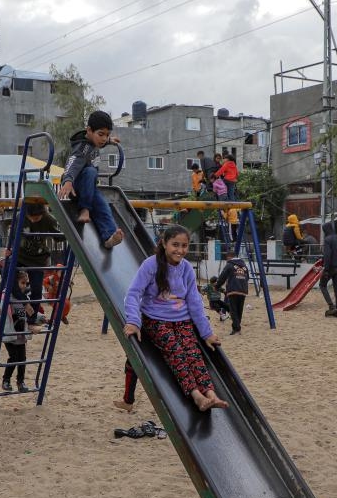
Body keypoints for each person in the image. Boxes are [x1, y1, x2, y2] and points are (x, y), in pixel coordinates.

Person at [123, 225, 228, 411]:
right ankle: (197, 396)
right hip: (156, 321)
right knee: (177, 353)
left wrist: (206, 333)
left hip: (182, 320)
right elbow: (133, 293)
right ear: (164, 243)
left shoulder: (186, 268)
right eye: (175, 245)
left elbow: (194, 301)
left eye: (185, 245)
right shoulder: (151, 265)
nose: (180, 250)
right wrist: (133, 320)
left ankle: (211, 394)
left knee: (194, 354)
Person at [58, 110, 124, 249]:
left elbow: (100, 141)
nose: (104, 139)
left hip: (89, 190)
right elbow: (73, 163)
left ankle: (108, 238)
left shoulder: (94, 141)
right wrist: (68, 180)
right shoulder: (82, 147)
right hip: (75, 188)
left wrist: (110, 141)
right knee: (90, 171)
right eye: (101, 134)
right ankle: (84, 210)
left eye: (107, 135)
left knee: (103, 207)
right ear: (89, 130)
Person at [0, 270, 42, 393]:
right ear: (15, 283)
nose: (24, 286)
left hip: (20, 334)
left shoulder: (24, 297)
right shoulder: (7, 295)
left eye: (26, 283)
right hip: (9, 332)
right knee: (14, 357)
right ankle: (6, 380)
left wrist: (41, 317)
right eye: (22, 283)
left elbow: (30, 312)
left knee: (22, 359)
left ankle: (21, 382)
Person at [5, 201, 58, 314]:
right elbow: (13, 235)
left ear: (43, 213)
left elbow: (58, 237)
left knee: (37, 290)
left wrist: (70, 229)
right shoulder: (20, 216)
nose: (33, 220)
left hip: (37, 259)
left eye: (37, 218)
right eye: (31, 218)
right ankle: (25, 302)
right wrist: (9, 248)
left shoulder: (49, 219)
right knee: (9, 278)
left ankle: (32, 319)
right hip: (20, 255)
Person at [216, 250, 250, 334]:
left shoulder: (229, 265)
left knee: (233, 309)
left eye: (227, 259)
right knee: (239, 309)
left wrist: (217, 286)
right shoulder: (244, 266)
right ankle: (237, 327)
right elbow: (247, 277)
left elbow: (222, 277)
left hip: (233, 289)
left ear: (229, 257)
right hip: (243, 290)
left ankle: (237, 328)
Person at [319, 221, 337, 317]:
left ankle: (331, 306)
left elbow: (327, 255)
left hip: (331, 267)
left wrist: (326, 269)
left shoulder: (327, 239)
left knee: (322, 285)